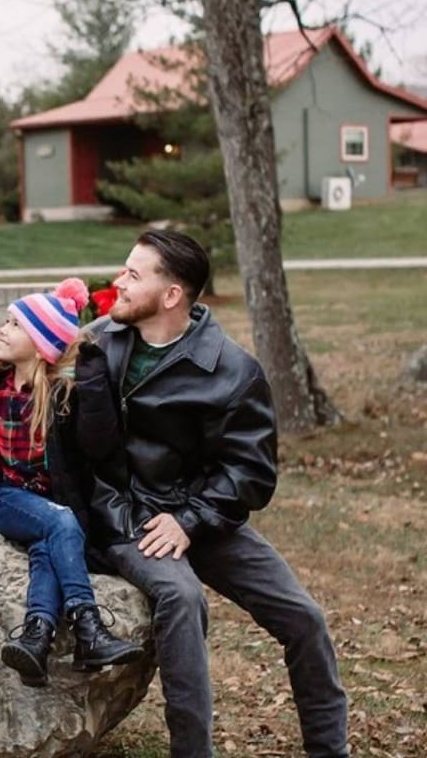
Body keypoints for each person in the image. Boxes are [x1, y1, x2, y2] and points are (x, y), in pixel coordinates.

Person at [81, 230, 348, 758]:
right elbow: (71, 445)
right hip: (126, 515)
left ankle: (329, 750)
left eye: (134, 275)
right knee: (182, 599)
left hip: (201, 515)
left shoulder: (233, 370)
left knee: (305, 620)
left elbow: (250, 473)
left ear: (173, 294)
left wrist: (190, 520)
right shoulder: (96, 343)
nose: (119, 282)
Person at [0, 279, 144, 687]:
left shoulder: (62, 392)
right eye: (6, 321)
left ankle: (36, 635)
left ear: (41, 342)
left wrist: (94, 383)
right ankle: (88, 624)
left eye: (14, 324)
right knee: (61, 523)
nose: (2, 330)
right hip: (2, 497)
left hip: (50, 503)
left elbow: (98, 446)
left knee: (49, 545)